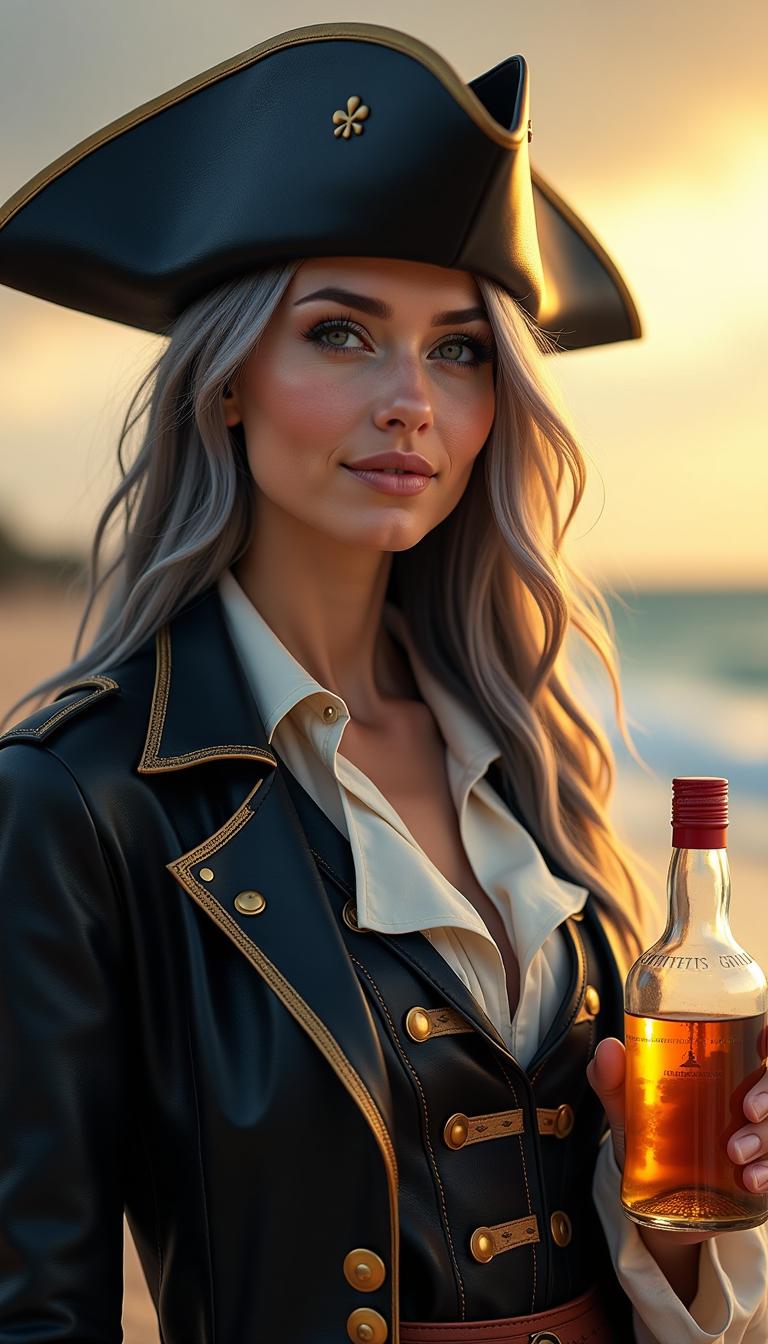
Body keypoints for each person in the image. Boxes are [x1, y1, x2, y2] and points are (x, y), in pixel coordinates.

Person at [0, 20, 766, 1344]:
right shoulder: (77, 801)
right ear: (228, 381)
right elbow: (34, 1311)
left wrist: (703, 1202)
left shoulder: (527, 754)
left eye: (459, 348)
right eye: (343, 333)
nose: (410, 398)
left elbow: (647, 1270)